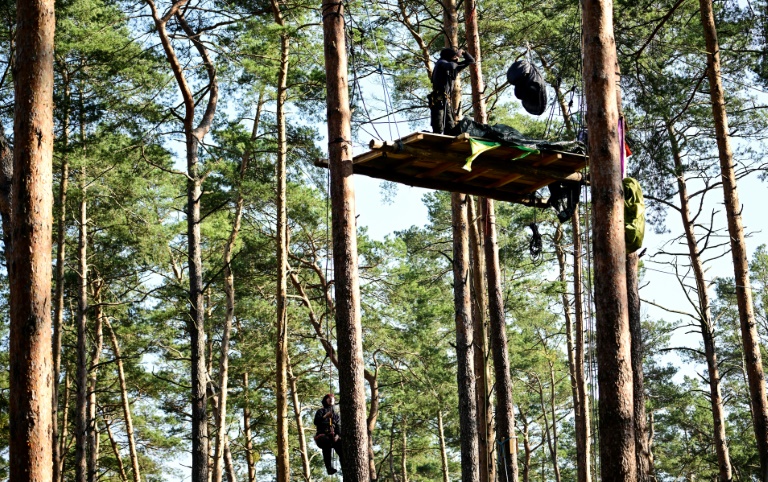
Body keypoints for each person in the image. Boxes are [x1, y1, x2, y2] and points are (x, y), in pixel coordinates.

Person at [429, 47, 475, 134]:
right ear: (449, 57)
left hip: (446, 99)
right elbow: (450, 65)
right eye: (453, 56)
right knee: (438, 125)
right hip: (437, 99)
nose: (456, 58)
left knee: (450, 125)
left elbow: (471, 60)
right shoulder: (441, 62)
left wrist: (464, 52)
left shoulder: (453, 67)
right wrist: (456, 58)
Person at [314, 393, 343, 475]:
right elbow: (316, 422)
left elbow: (338, 427)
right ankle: (329, 468)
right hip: (322, 436)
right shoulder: (320, 411)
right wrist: (325, 416)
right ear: (325, 400)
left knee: (342, 448)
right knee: (326, 444)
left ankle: (345, 468)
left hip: (333, 436)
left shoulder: (336, 415)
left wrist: (337, 436)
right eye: (328, 398)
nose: (331, 399)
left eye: (332, 398)